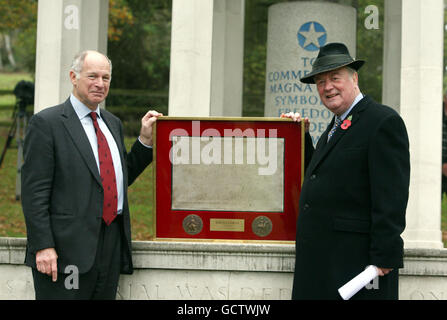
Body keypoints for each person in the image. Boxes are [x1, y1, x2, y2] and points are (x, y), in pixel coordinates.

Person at [21, 50, 162, 299]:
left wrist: (144, 140)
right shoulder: (47, 124)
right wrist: (43, 246)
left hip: (110, 244)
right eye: (93, 76)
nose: (100, 84)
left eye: (106, 78)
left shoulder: (112, 123)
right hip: (65, 251)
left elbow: (118, 177)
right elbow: (34, 193)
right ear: (73, 77)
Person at [282, 42, 410, 299]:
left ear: (354, 78)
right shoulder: (336, 127)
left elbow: (391, 196)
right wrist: (300, 138)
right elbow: (324, 177)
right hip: (324, 262)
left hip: (356, 266)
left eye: (334, 78)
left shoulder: (382, 121)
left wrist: (383, 257)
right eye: (320, 81)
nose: (327, 87)